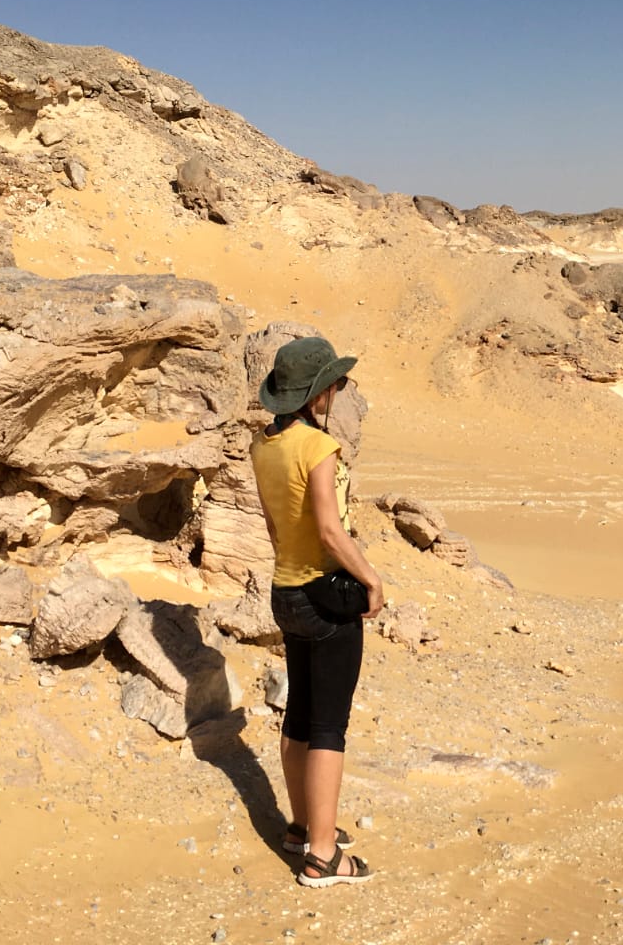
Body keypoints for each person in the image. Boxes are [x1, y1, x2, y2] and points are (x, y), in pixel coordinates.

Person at [250, 336, 384, 888]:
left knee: (300, 714)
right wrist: (371, 578)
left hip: (285, 590)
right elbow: (330, 531)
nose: (338, 391)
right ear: (315, 393)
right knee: (329, 725)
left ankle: (303, 826)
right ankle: (323, 856)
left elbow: (274, 527)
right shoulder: (317, 447)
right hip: (324, 596)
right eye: (335, 383)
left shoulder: (263, 446)